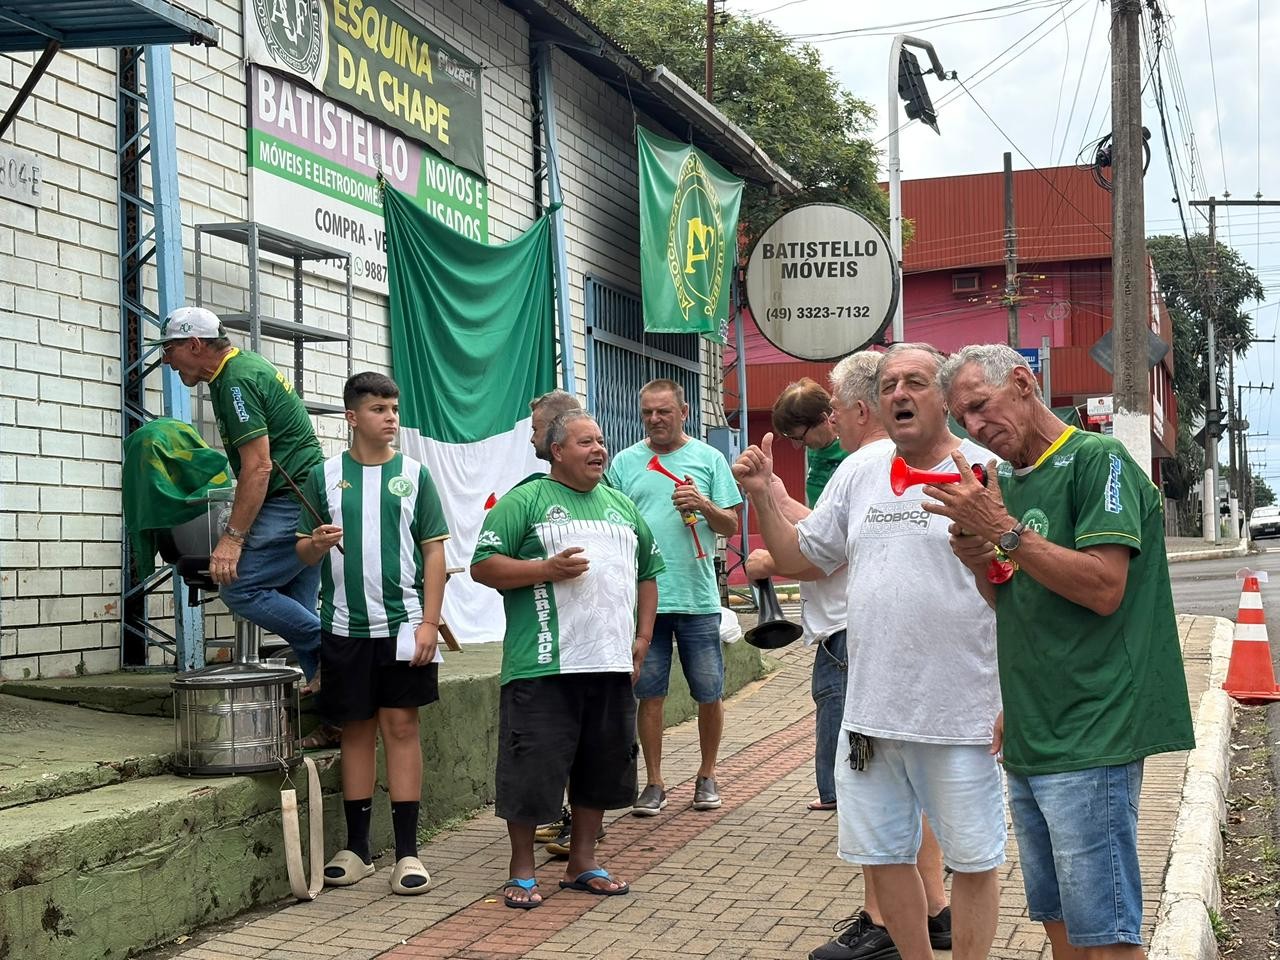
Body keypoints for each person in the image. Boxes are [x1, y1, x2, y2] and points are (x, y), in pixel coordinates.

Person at [733, 343, 1004, 960]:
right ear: (877, 403)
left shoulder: (987, 469)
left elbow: (1023, 592)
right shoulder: (861, 470)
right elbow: (806, 557)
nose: (901, 393)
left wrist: (1014, 693)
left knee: (973, 858)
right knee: (880, 856)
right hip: (871, 712)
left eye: (915, 381)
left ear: (943, 395)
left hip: (960, 712)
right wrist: (760, 495)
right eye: (889, 385)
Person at [925, 343, 1195, 959]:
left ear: (1023, 381)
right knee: (1059, 921)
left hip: (1092, 726)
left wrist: (1002, 532)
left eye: (978, 406)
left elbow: (1104, 588)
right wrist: (978, 561)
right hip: (1032, 729)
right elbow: (1016, 603)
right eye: (960, 417)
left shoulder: (1096, 460)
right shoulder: (1009, 483)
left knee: (1104, 926)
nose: (972, 427)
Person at [472, 411, 664, 909]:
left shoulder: (621, 505)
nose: (598, 449)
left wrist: (643, 636)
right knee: (532, 768)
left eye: (601, 440)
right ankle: (521, 871)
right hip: (543, 664)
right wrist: (545, 569)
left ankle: (583, 862)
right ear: (557, 451)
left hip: (609, 663)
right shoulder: (525, 501)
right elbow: (483, 567)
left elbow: (649, 570)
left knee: (601, 766)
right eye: (585, 442)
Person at [295, 372, 448, 895]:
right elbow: (302, 550)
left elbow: (434, 552)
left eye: (394, 408)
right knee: (356, 730)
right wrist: (315, 543)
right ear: (352, 417)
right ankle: (357, 850)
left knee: (401, 728)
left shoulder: (415, 476)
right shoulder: (325, 475)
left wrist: (429, 621)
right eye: (380, 409)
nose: (391, 418)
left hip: (404, 626)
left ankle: (408, 853)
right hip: (342, 627)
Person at [154, 306, 324, 684]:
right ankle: (334, 714)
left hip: (291, 499)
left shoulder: (235, 381)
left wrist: (231, 540)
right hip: (309, 496)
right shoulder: (240, 368)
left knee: (240, 587)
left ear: (195, 344)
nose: (167, 360)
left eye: (170, 349)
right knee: (298, 602)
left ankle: (338, 651)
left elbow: (259, 467)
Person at [607, 379, 742, 815]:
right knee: (650, 694)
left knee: (709, 692)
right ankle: (655, 782)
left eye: (663, 411)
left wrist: (703, 504)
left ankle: (707, 775)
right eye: (647, 412)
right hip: (647, 602)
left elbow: (730, 527)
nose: (655, 419)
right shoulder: (626, 463)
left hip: (698, 598)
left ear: (684, 411)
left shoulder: (709, 459)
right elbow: (610, 522)